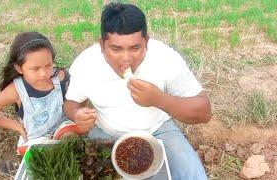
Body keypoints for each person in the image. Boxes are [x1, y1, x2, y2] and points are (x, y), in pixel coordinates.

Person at [65, 2, 211, 180]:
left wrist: (159, 99)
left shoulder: (165, 57)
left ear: (146, 42)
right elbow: (71, 104)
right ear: (102, 45)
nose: (126, 59)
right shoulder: (86, 64)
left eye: (135, 48)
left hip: (159, 130)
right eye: (116, 49)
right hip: (106, 132)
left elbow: (204, 112)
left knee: (193, 176)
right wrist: (77, 113)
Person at [0, 32, 82, 156]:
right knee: (44, 156)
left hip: (62, 127)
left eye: (48, 65)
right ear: (19, 69)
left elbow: (77, 99)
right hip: (36, 138)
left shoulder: (60, 77)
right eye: (35, 69)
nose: (43, 73)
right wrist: (17, 127)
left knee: (71, 139)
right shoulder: (16, 90)